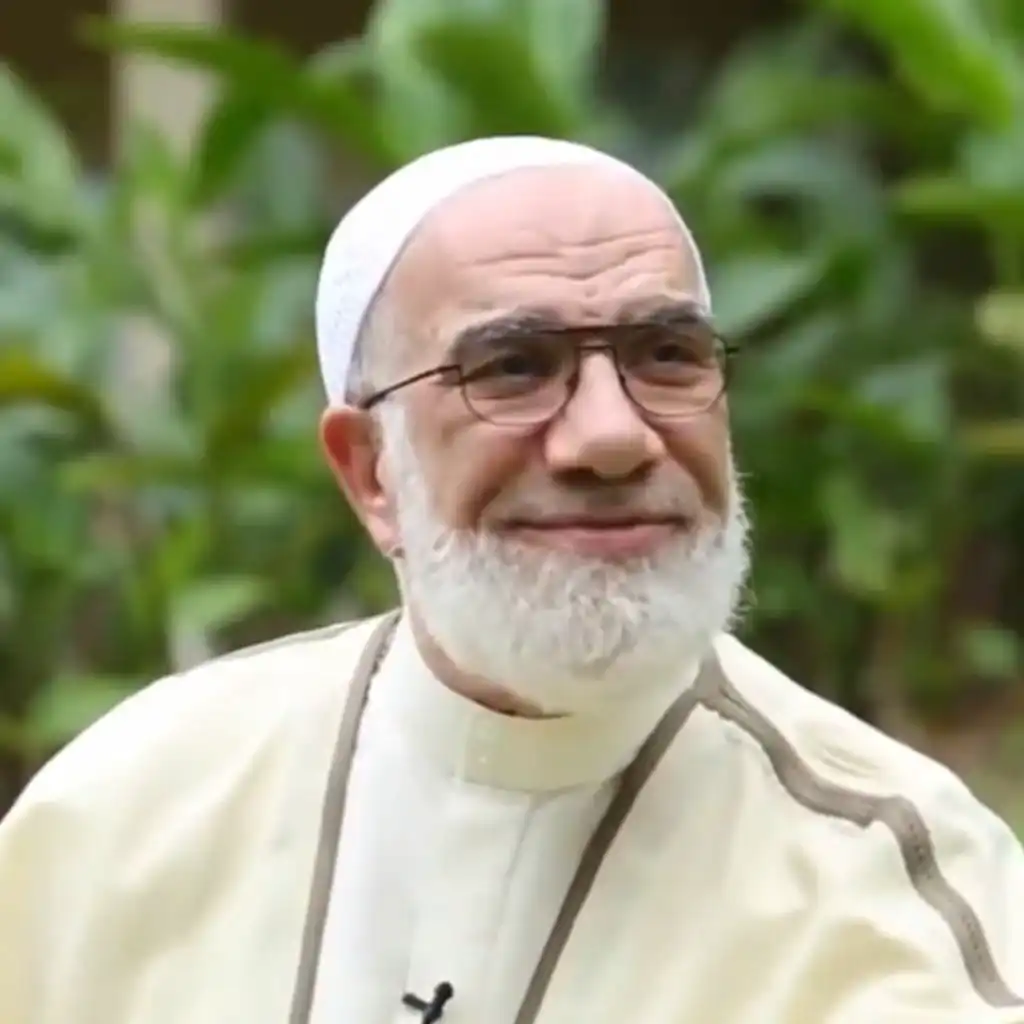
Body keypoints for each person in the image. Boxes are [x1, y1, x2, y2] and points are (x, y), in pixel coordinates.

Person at [0, 136, 1022, 1024]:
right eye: (514, 368)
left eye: (666, 355)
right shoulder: (129, 810)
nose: (613, 437)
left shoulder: (897, 895)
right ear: (370, 472)